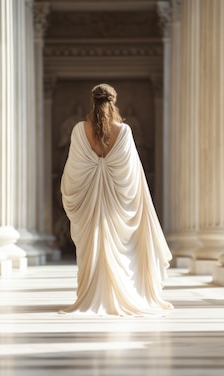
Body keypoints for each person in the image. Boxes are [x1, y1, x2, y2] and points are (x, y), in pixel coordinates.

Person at [60, 83, 174, 316]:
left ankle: (91, 293)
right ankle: (121, 292)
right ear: (113, 102)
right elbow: (132, 176)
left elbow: (73, 172)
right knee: (119, 247)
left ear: (93, 101)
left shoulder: (79, 130)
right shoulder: (123, 131)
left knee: (93, 245)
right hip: (115, 204)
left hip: (90, 201)